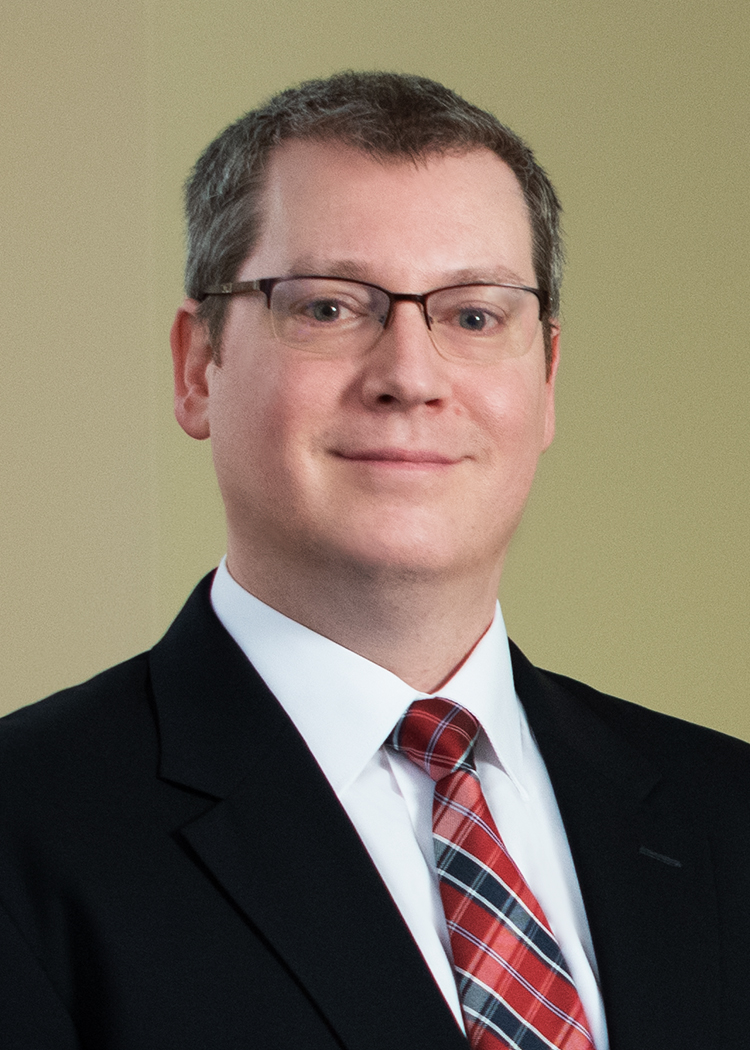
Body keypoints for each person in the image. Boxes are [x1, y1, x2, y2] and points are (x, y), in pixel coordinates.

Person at [1, 71, 748, 1050]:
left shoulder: (727, 813)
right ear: (196, 368)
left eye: (473, 316)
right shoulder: (25, 830)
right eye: (327, 308)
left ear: (548, 379)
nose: (409, 375)